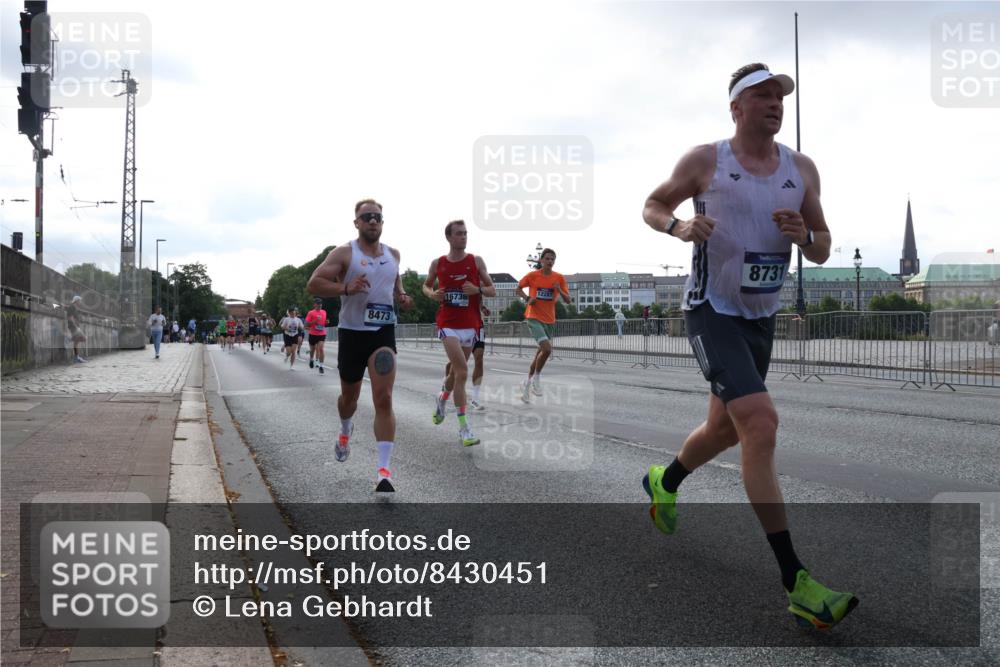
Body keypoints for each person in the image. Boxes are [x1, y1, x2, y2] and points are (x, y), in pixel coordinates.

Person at [640, 62, 856, 630]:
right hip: (712, 311)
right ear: (735, 107)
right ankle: (797, 581)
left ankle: (665, 481)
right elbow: (654, 205)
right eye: (761, 95)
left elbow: (825, 247)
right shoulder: (706, 161)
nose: (775, 103)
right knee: (759, 423)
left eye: (779, 96)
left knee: (723, 429)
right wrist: (678, 228)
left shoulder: (800, 169)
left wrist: (805, 236)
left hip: (761, 316)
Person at [306, 198, 414, 492]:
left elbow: (394, 283)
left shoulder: (393, 254)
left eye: (377, 216)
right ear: (356, 222)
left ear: (382, 221)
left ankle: (384, 471)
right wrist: (344, 288)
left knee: (384, 397)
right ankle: (345, 429)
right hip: (353, 334)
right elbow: (314, 284)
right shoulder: (343, 253)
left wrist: (402, 296)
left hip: (382, 334)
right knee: (349, 400)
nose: (372, 221)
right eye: (366, 217)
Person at [423, 220, 496, 446]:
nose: (463, 237)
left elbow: (492, 289)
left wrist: (478, 290)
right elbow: (426, 286)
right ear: (449, 237)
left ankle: (442, 397)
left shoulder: (476, 261)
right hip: (448, 324)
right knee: (463, 371)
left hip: (471, 324)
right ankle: (464, 429)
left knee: (456, 373)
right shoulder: (439, 263)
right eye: (459, 234)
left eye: (465, 233)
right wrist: (432, 294)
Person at [516, 248, 571, 403]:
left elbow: (568, 300)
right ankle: (537, 379)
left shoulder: (559, 278)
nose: (550, 261)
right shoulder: (533, 276)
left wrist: (559, 290)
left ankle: (526, 385)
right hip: (533, 317)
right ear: (541, 260)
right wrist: (527, 299)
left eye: (552, 259)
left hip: (549, 320)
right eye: (547, 258)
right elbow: (518, 289)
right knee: (547, 349)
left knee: (539, 354)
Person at [305, 297, 329, 374]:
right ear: (314, 304)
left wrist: (326, 322)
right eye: (318, 304)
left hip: (322, 333)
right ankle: (311, 359)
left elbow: (323, 323)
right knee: (312, 350)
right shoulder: (311, 313)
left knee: (321, 348)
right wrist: (314, 321)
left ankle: (321, 366)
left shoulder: (324, 312)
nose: (319, 305)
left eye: (320, 304)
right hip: (313, 334)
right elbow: (306, 324)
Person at [65, 295, 87, 363]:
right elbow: (70, 317)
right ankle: (69, 339)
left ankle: (76, 357)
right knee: (83, 338)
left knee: (76, 342)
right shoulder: (72, 307)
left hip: (74, 326)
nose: (80, 302)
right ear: (77, 301)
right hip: (73, 327)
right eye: (79, 300)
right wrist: (76, 326)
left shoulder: (73, 307)